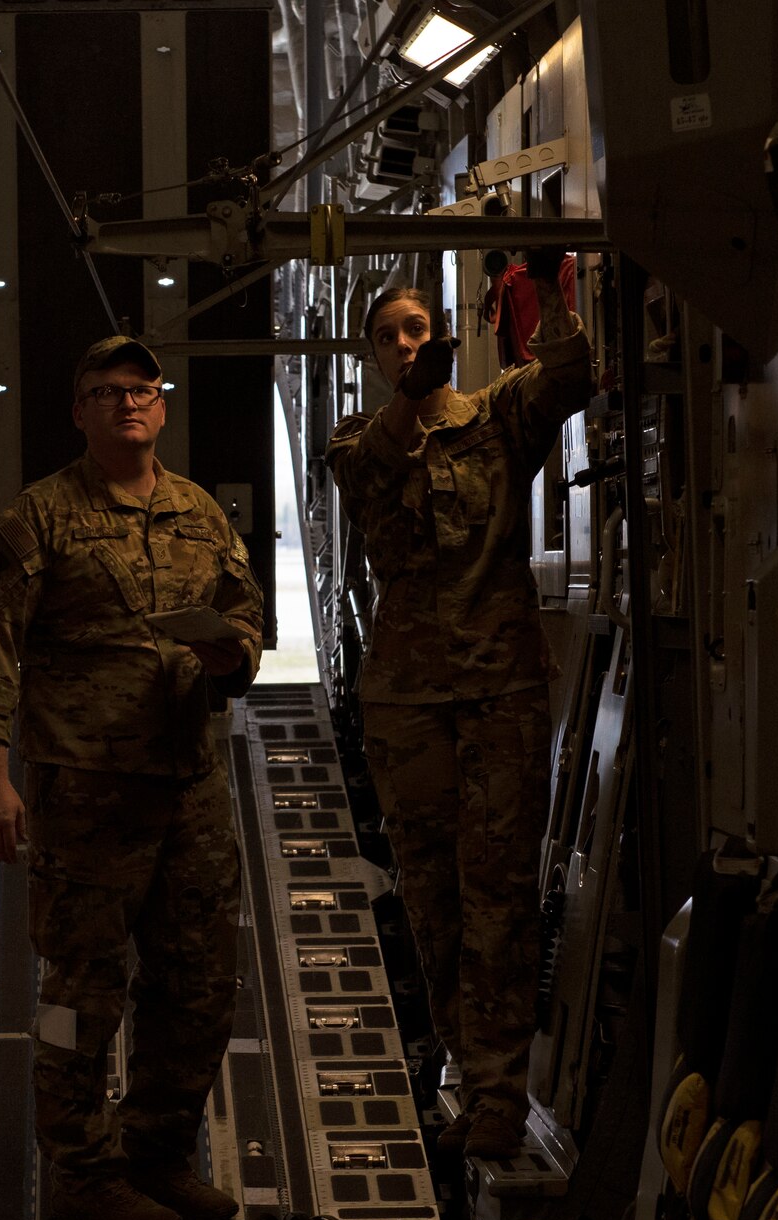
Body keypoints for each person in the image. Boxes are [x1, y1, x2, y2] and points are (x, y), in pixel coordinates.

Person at [0, 335, 265, 1220]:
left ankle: (154, 1154)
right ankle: (81, 1173)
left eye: (143, 389)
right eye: (107, 390)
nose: (129, 403)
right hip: (84, 791)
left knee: (200, 986)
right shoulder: (39, 520)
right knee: (77, 996)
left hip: (188, 788)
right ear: (79, 409)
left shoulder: (200, 514)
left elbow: (248, 622)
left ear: (162, 406)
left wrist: (229, 652)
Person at [325, 249, 593, 1159]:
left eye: (418, 331)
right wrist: (416, 398)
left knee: (502, 894)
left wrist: (553, 295)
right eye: (388, 338)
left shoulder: (499, 418)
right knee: (436, 898)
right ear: (370, 356)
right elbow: (370, 475)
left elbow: (566, 378)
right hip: (407, 699)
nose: (405, 346)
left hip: (499, 689)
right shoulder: (358, 438)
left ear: (441, 335)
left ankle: (497, 1095)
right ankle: (457, 1058)